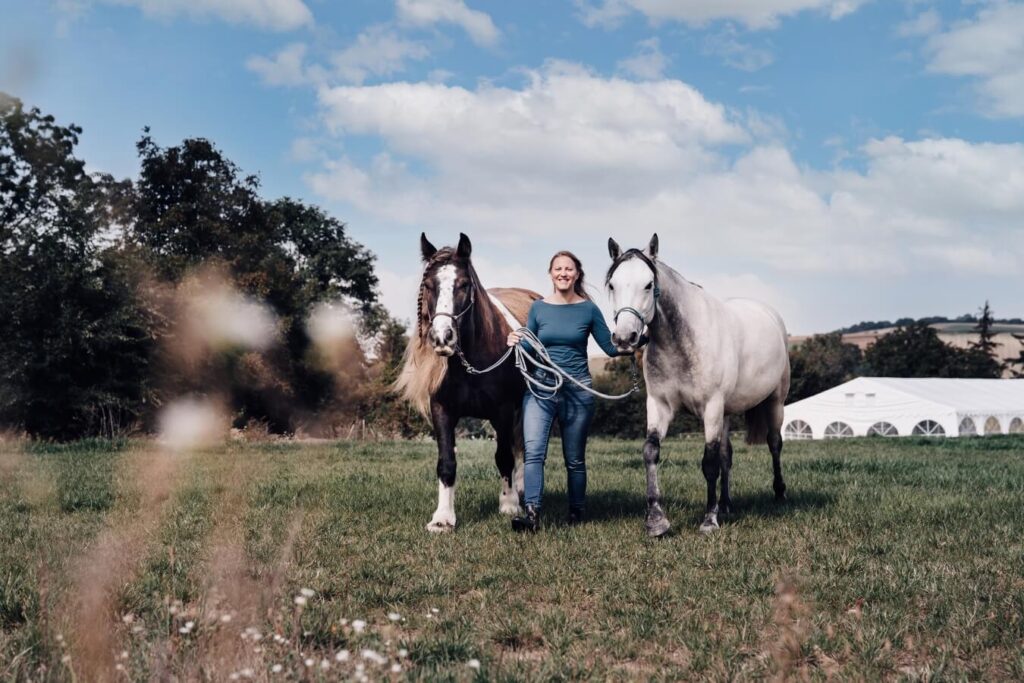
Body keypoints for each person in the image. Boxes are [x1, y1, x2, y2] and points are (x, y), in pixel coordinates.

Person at [507, 250, 627, 532]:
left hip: (578, 391)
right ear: (551, 274)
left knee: (574, 459)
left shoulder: (588, 309)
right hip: (540, 390)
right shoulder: (538, 308)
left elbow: (609, 347)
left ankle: (576, 511)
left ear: (577, 274)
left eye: (568, 269)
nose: (563, 273)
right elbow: (530, 345)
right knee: (534, 453)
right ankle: (532, 514)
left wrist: (638, 342)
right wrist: (516, 339)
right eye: (558, 268)